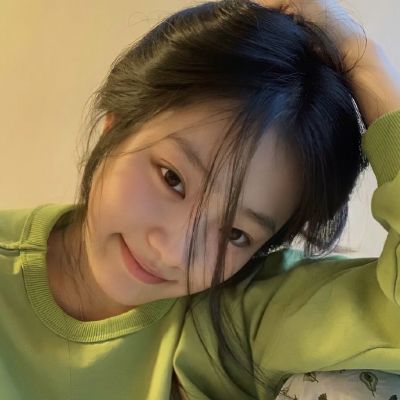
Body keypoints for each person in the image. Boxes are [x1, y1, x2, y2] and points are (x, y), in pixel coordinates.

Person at [0, 0, 399, 399]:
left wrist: (366, 62)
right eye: (171, 179)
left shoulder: (237, 314)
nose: (173, 252)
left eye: (235, 233)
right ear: (116, 124)